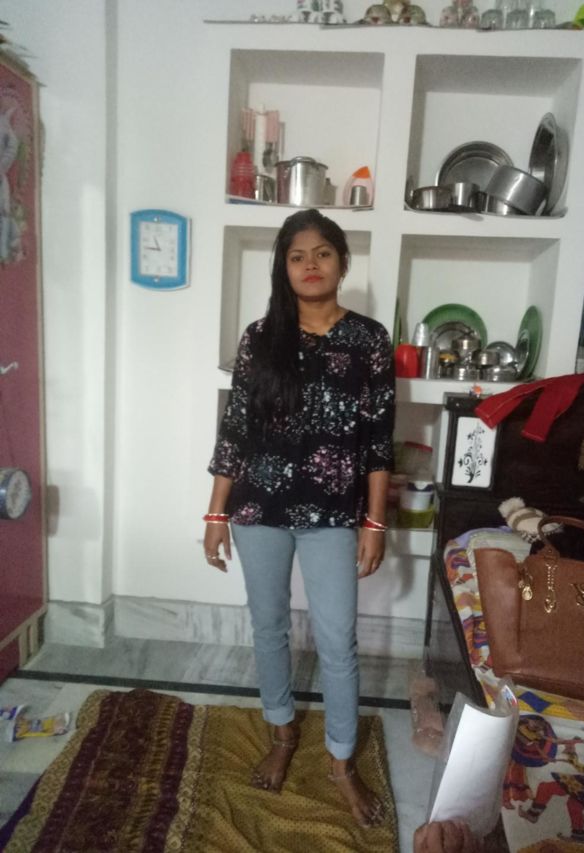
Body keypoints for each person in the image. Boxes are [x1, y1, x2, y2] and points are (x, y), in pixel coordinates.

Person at [203, 208, 395, 828]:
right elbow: (236, 430)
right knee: (268, 627)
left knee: (337, 639)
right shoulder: (260, 338)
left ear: (342, 262)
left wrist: (375, 523)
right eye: (297, 256)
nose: (310, 265)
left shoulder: (369, 340)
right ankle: (282, 733)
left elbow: (378, 440)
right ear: (283, 268)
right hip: (257, 507)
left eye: (322, 253)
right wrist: (215, 512)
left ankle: (341, 761)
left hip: (332, 512)